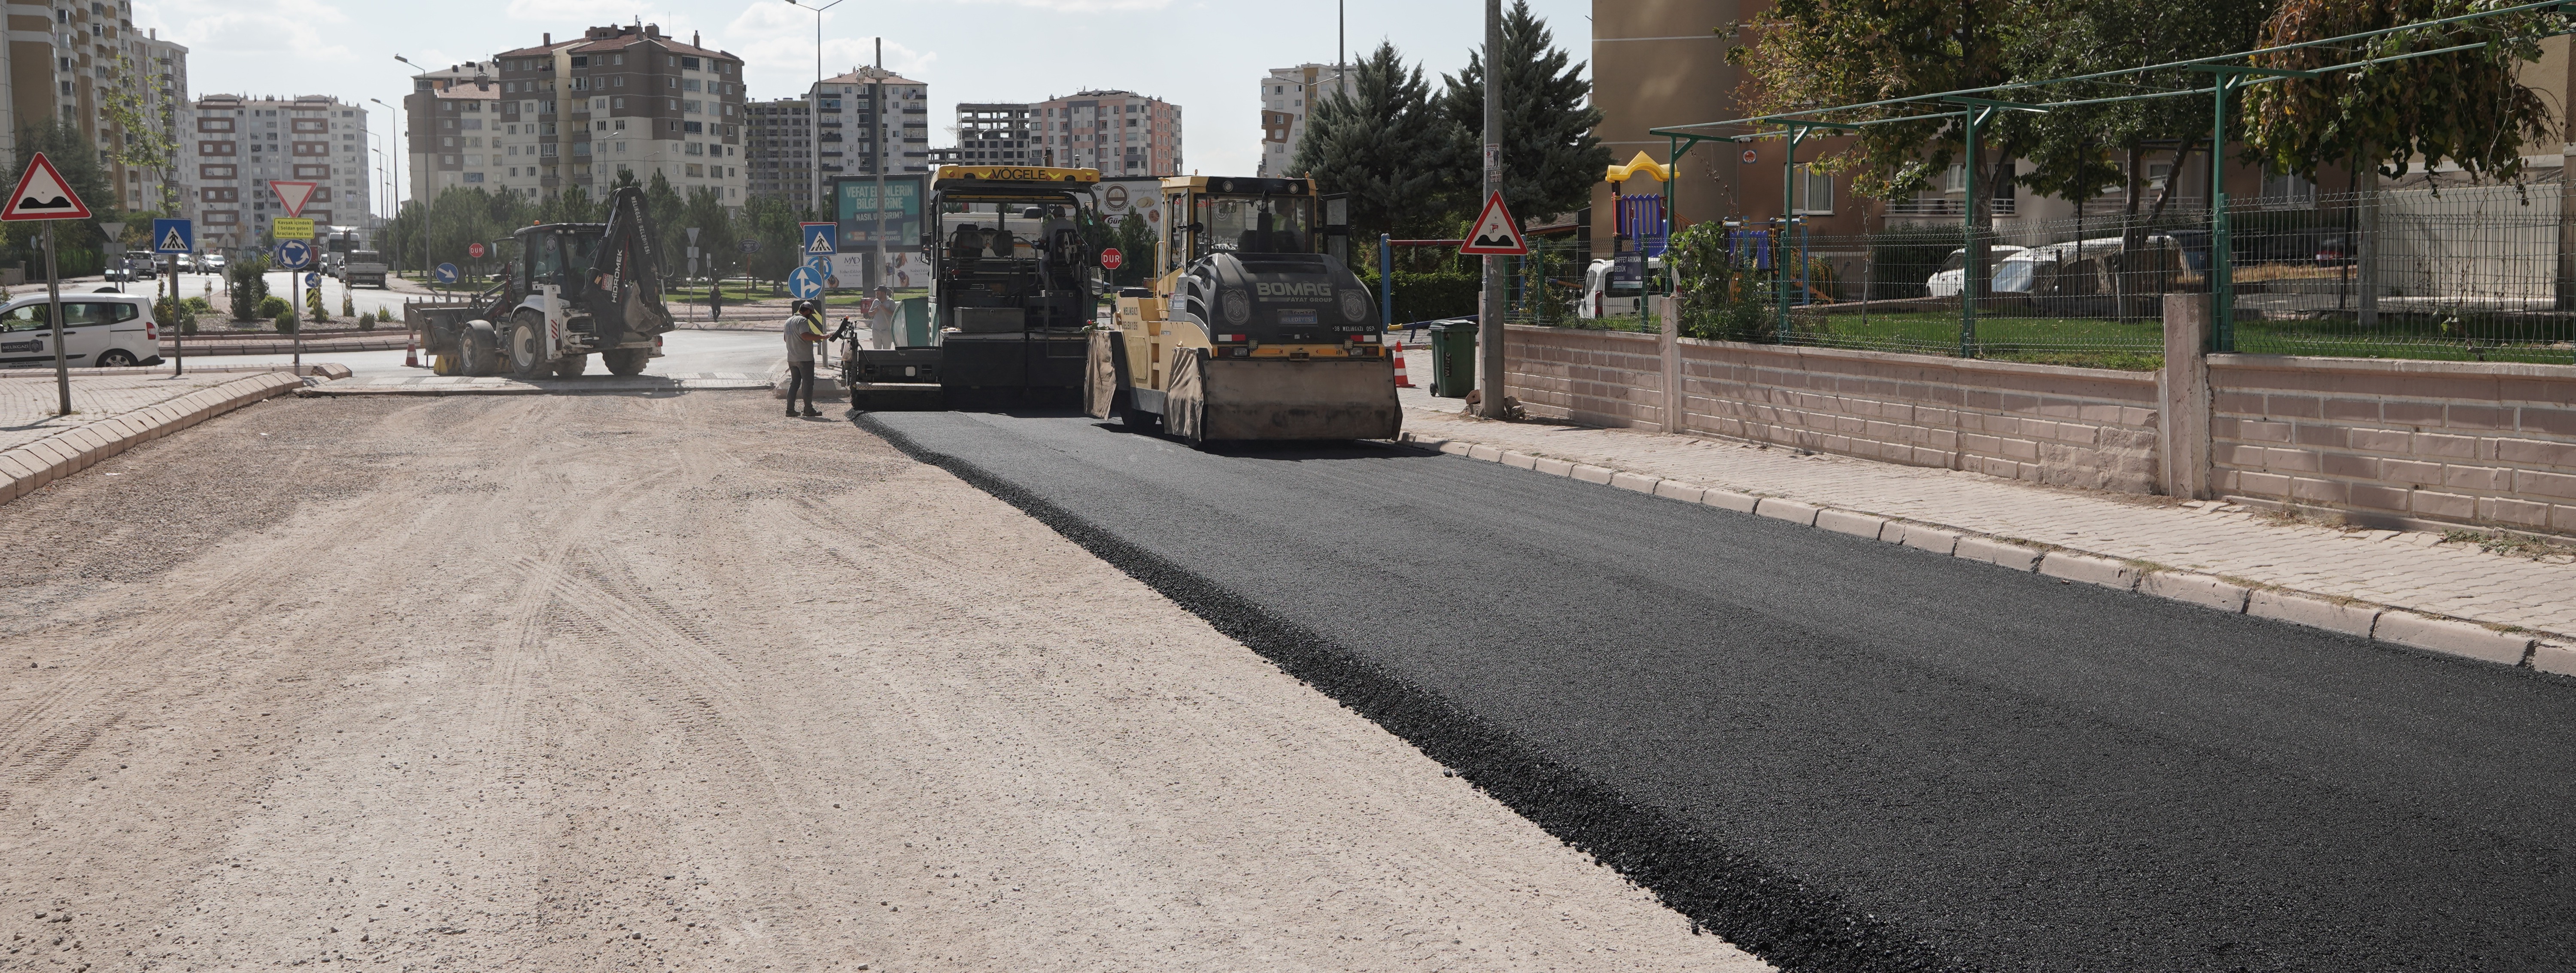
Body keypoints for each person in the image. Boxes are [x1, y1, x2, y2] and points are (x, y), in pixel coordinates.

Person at [781, 298, 825, 417]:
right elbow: (805, 336)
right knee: (807, 384)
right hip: (805, 359)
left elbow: (785, 339)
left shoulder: (789, 321)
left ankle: (790, 410)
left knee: (794, 383)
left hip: (792, 358)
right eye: (811, 313)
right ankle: (808, 410)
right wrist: (822, 337)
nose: (811, 315)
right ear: (808, 311)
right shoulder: (802, 321)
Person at [863, 285, 899, 350]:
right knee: (877, 351)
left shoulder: (891, 302)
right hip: (876, 330)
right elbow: (870, 314)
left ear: (883, 293)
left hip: (887, 331)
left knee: (887, 351)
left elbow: (894, 314)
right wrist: (874, 311)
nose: (877, 294)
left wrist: (885, 309)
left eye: (878, 293)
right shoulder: (876, 301)